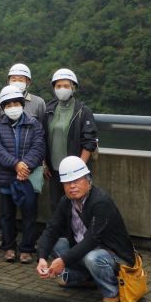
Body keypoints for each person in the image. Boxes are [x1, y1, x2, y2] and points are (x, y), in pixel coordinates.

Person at [36, 156, 136, 302]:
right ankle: (84, 278)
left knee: (93, 257)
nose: (72, 186)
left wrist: (63, 261)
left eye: (77, 181)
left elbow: (92, 240)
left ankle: (112, 290)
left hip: (114, 254)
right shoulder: (66, 201)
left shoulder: (100, 202)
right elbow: (51, 229)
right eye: (68, 183)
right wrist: (42, 258)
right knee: (56, 244)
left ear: (88, 180)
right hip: (87, 249)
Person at [0, 85, 45, 264]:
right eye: (8, 104)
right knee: (7, 215)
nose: (12, 107)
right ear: (3, 107)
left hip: (28, 177)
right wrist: (16, 165)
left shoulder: (34, 124)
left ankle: (27, 249)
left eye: (16, 103)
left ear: (22, 104)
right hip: (7, 177)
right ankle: (9, 247)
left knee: (29, 214)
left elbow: (39, 147)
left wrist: (24, 166)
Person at [43, 68, 98, 211]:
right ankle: (60, 234)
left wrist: (79, 168)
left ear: (73, 87)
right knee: (56, 207)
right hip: (54, 169)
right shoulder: (48, 109)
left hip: (76, 171)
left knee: (78, 206)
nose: (62, 89)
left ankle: (77, 234)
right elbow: (41, 137)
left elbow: (89, 141)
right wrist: (44, 163)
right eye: (58, 86)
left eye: (66, 86)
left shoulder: (83, 111)